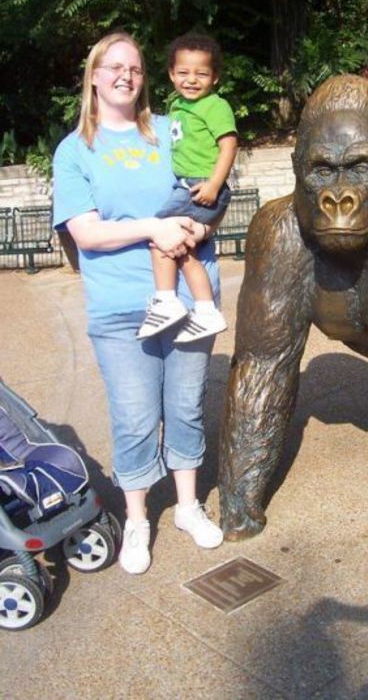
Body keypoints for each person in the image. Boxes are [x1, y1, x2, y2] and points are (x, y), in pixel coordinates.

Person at [52, 31, 224, 576]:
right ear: (94, 77)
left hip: (191, 298)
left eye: (135, 68)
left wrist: (198, 228)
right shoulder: (75, 150)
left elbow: (212, 186)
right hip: (121, 305)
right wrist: (153, 227)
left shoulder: (171, 132)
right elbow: (85, 232)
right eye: (114, 66)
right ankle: (137, 518)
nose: (126, 75)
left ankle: (188, 507)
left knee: (186, 407)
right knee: (134, 417)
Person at [136, 34, 238, 343]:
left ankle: (166, 301)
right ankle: (205, 310)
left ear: (214, 77)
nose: (191, 80)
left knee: (161, 234)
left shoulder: (215, 106)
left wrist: (214, 184)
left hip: (200, 185)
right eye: (183, 72)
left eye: (201, 73)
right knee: (183, 247)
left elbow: (229, 145)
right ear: (171, 74)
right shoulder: (177, 105)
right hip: (187, 185)